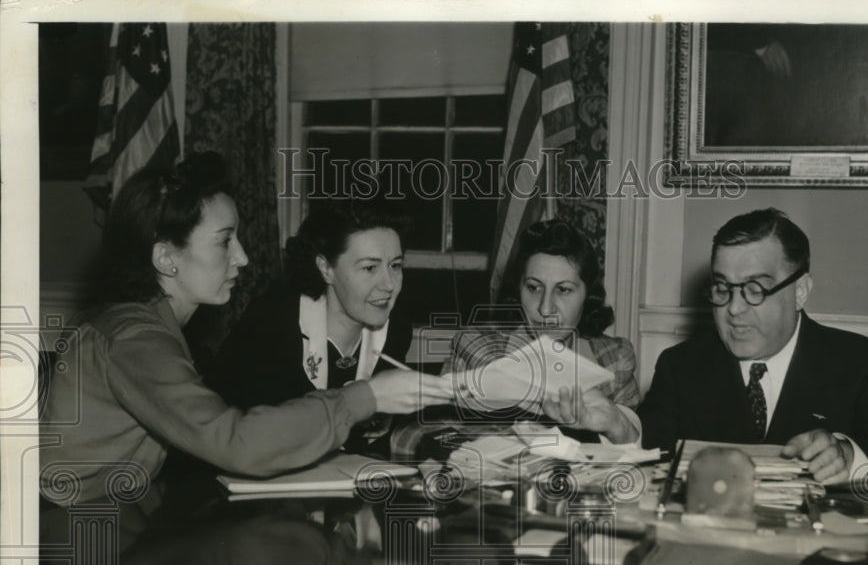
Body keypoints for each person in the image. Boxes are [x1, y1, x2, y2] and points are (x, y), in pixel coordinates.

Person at [38, 152, 454, 508]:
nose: (242, 257)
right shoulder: (135, 339)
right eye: (224, 241)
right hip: (62, 529)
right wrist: (369, 396)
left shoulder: (146, 324)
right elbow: (236, 442)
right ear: (166, 258)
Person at [637, 208, 868, 483]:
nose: (734, 308)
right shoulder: (681, 366)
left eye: (755, 290)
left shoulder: (864, 365)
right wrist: (621, 429)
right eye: (723, 288)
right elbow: (647, 453)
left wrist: (849, 456)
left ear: (800, 292)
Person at [440, 219, 640, 443]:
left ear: (588, 295)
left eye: (563, 290)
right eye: (534, 287)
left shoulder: (615, 359)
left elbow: (640, 457)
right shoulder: (474, 348)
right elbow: (416, 439)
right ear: (518, 289)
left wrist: (617, 424)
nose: (545, 308)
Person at [208, 204, 413, 411]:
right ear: (325, 268)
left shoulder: (397, 329)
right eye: (369, 268)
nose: (388, 284)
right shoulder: (270, 325)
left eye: (395, 265)